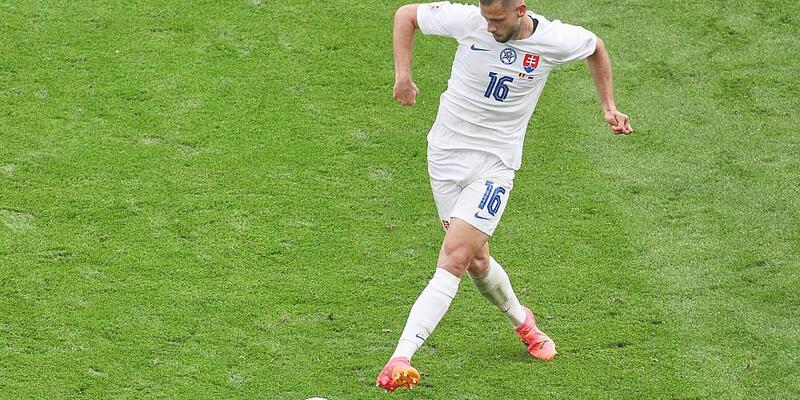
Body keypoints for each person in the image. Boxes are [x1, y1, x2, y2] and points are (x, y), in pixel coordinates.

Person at [376, 0, 633, 392]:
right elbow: (406, 15)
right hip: (444, 158)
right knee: (477, 261)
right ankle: (524, 322)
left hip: (495, 166)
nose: (490, 27)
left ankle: (401, 356)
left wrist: (608, 107)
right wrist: (403, 76)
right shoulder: (469, 21)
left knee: (455, 257)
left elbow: (595, 46)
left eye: (497, 20)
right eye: (486, 18)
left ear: (520, 10)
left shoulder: (554, 39)